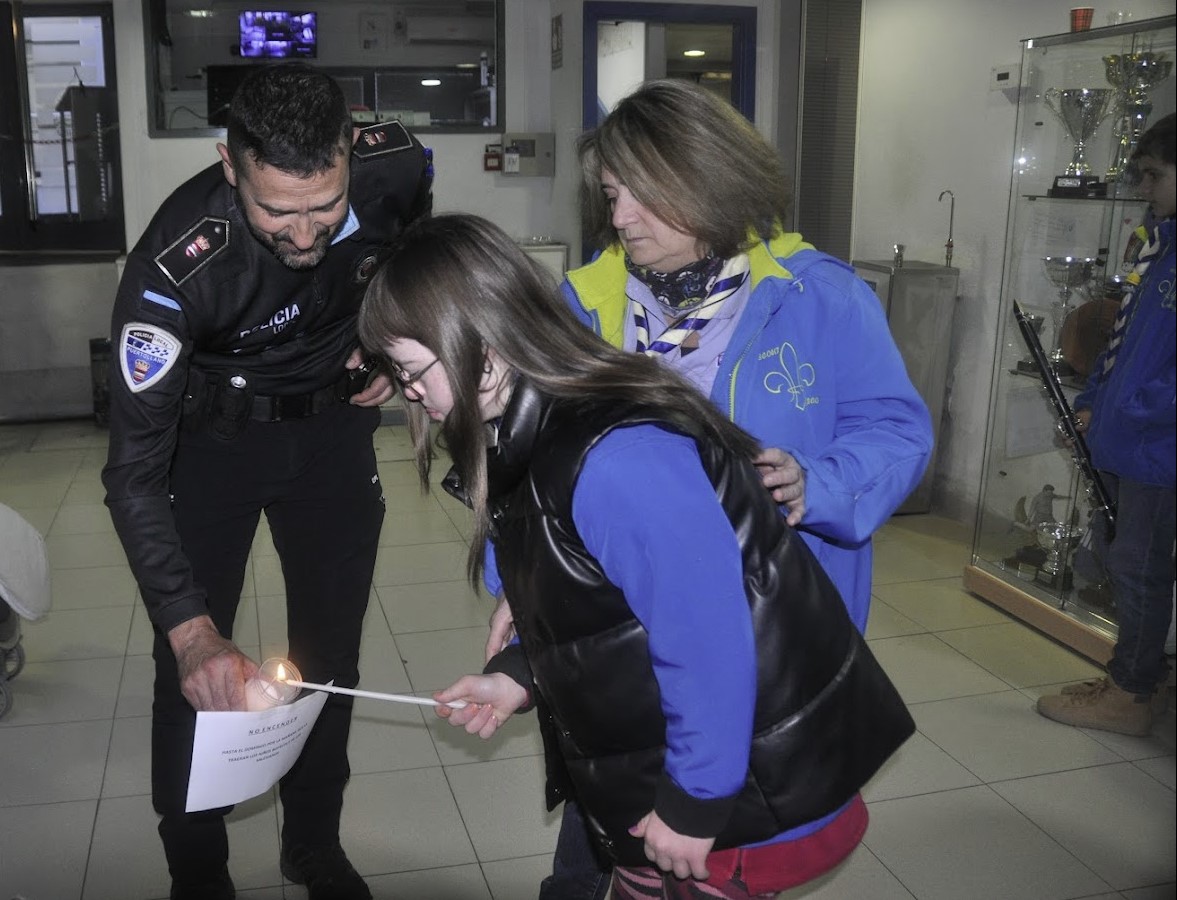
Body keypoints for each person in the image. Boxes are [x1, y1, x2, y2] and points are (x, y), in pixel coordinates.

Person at [357, 213, 915, 900]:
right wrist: (519, 674)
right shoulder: (527, 431)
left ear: (486, 345)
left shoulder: (616, 458)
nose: (407, 394)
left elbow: (706, 638)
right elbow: (596, 598)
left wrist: (695, 802)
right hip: (669, 772)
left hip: (735, 799)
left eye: (414, 372)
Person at [484, 78, 933, 898]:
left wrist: (819, 481)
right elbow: (528, 460)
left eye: (645, 199)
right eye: (614, 196)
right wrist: (515, 584)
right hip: (615, 636)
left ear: (712, 182)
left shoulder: (815, 295)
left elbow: (897, 431)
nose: (620, 221)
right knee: (607, 841)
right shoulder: (584, 304)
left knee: (731, 845)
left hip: (771, 634)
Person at [101, 63, 432, 900]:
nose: (303, 232)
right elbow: (132, 473)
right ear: (229, 165)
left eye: (323, 205)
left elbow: (409, 254)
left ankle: (312, 843)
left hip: (332, 434)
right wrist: (189, 632)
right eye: (275, 210)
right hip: (213, 444)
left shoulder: (394, 166)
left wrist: (390, 339)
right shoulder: (173, 269)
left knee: (330, 659)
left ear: (350, 153)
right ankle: (197, 872)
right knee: (198, 671)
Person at [1036, 112, 1176, 738]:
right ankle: (1137, 676)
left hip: (1159, 449)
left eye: (1154, 175)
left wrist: (1126, 413)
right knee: (1122, 561)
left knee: (1139, 569)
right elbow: (1124, 342)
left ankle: (1131, 694)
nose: (1144, 188)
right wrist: (1094, 401)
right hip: (1130, 440)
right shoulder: (1163, 247)